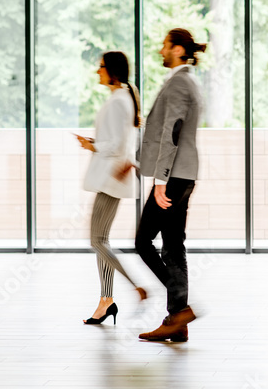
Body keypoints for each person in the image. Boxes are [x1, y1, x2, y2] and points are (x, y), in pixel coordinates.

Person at [135, 28, 206, 343]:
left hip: (173, 175)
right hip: (184, 173)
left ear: (178, 49)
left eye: (165, 45)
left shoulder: (179, 82)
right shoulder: (189, 80)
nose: (160, 50)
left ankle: (180, 309)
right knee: (173, 246)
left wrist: (160, 179)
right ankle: (178, 324)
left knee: (143, 241)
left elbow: (173, 130)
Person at [77, 51, 146, 325]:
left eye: (101, 67)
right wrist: (95, 142)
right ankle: (106, 301)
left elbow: (117, 146)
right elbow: (118, 140)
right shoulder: (122, 97)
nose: (97, 71)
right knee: (101, 240)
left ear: (113, 71)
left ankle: (136, 287)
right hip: (111, 176)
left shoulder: (119, 101)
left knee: (97, 241)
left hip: (110, 178)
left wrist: (92, 145)